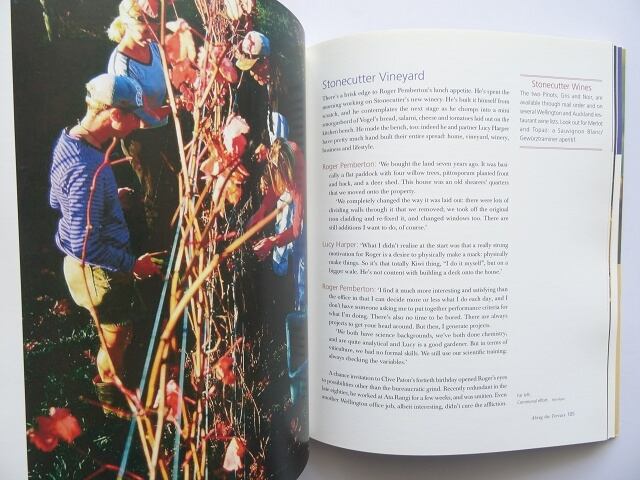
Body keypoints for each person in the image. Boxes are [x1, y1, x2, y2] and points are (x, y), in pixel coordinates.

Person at [49, 73, 161, 410]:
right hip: (98, 273)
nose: (137, 125)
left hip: (85, 267)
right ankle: (113, 404)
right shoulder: (86, 170)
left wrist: (108, 200)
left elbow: (57, 200)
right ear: (114, 115)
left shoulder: (70, 142)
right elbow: (84, 245)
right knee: (116, 338)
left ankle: (116, 389)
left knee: (113, 332)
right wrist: (133, 265)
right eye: (133, 118)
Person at [107, 0, 180, 255]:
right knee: (155, 198)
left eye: (154, 24)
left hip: (163, 128)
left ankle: (174, 241)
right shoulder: (122, 64)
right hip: (140, 139)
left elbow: (169, 80)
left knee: (173, 187)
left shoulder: (153, 47)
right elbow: (143, 115)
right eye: (145, 26)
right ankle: (157, 253)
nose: (151, 31)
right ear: (127, 23)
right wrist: (176, 107)